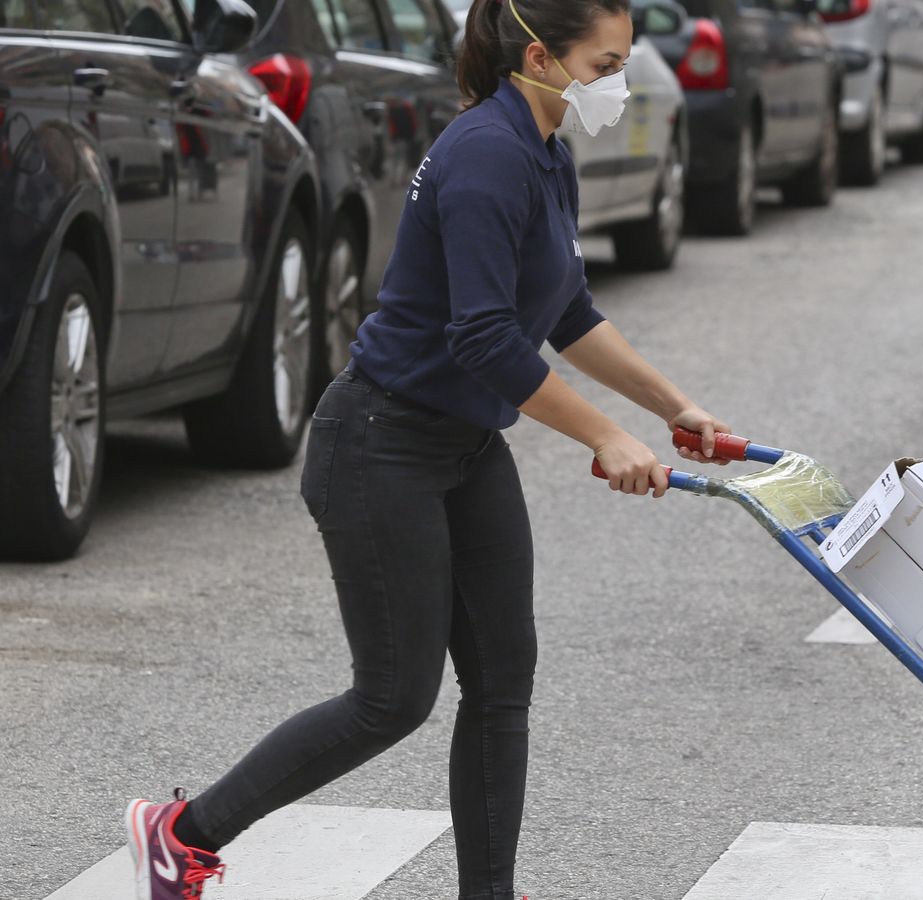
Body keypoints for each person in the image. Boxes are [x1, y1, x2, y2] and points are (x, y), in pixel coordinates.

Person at [121, 0, 730, 897]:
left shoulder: (547, 151)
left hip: (466, 446)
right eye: (605, 66)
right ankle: (182, 832)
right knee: (391, 700)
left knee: (502, 681)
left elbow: (566, 312)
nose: (619, 84)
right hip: (382, 444)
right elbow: (484, 337)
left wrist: (675, 407)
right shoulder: (485, 154)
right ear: (540, 57)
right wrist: (605, 435)